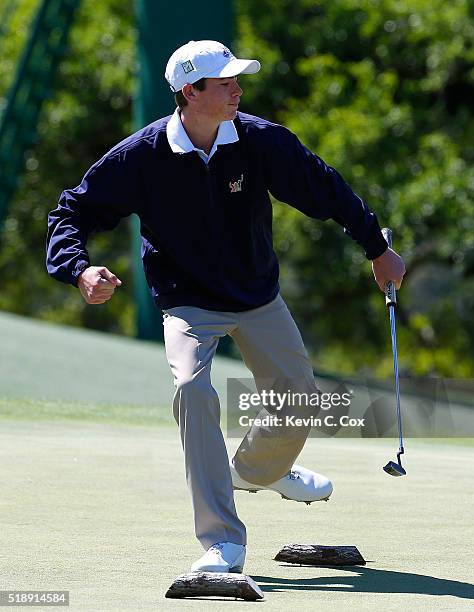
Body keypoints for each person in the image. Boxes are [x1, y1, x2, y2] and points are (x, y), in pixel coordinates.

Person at [46, 40, 406, 575]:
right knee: (193, 391)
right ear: (190, 92)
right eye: (225, 83)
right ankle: (223, 542)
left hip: (256, 295)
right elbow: (72, 211)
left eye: (238, 80)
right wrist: (79, 269)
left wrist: (377, 248)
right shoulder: (142, 156)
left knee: (299, 401)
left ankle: (261, 468)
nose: (238, 89)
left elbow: (324, 189)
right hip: (187, 301)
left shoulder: (260, 141)